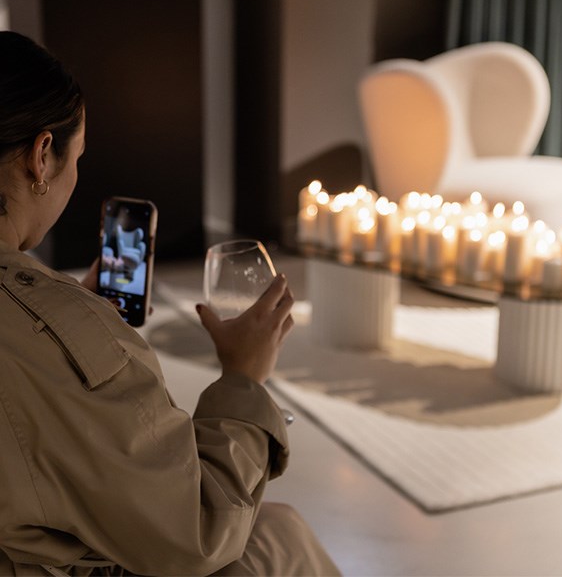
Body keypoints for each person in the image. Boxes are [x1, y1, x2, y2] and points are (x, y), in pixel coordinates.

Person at [0, 31, 340, 577]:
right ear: (42, 157)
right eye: (77, 156)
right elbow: (197, 531)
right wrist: (243, 379)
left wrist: (63, 316)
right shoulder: (67, 339)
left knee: (280, 528)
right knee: (283, 540)